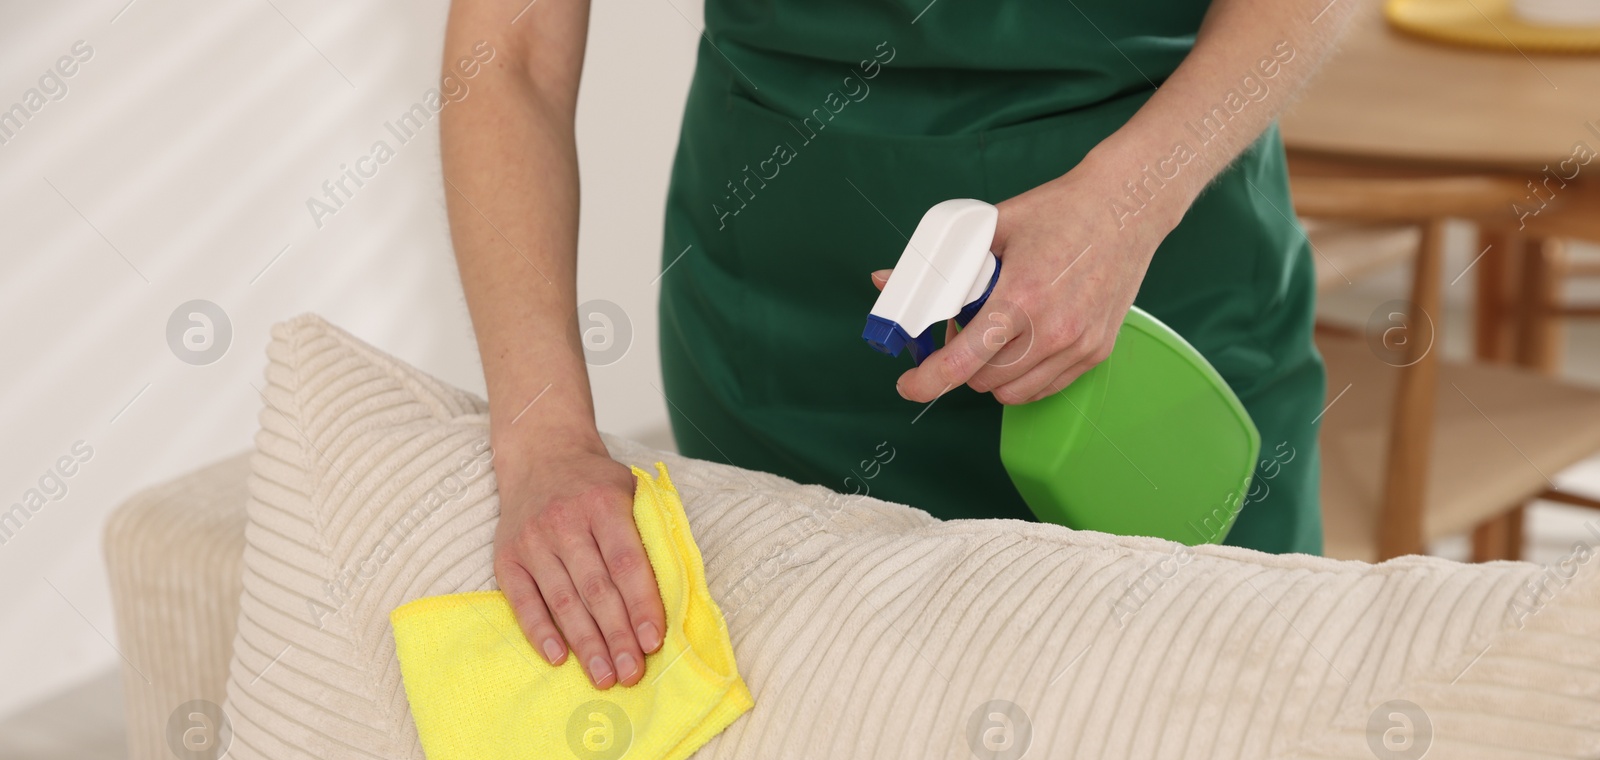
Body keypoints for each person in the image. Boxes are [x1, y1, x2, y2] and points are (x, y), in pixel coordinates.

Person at [441, 0, 1354, 690]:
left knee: (1201, 745)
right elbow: (507, 56)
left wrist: (1123, 209)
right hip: (783, 360)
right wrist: (544, 438)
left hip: (1158, 320)